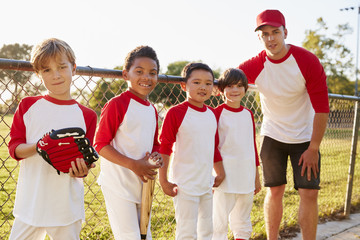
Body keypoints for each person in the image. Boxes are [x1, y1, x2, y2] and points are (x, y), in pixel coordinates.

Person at [238, 9, 329, 240]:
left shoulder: (306, 61)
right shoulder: (255, 64)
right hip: (272, 135)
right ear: (259, 37)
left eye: (275, 32)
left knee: (308, 193)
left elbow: (321, 108)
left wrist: (314, 148)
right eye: (265, 34)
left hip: (305, 137)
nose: (271, 38)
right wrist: (193, 83)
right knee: (275, 190)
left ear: (285, 32)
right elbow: (226, 82)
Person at [8, 38, 98, 240]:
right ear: (39, 75)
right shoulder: (28, 106)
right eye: (47, 70)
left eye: (61, 67)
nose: (56, 75)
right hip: (31, 203)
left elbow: (82, 161)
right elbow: (15, 148)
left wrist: (82, 170)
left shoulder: (87, 116)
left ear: (73, 68)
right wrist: (41, 146)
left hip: (66, 208)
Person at [94, 45, 163, 240]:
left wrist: (156, 155)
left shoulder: (152, 110)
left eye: (153, 73)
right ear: (126, 74)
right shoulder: (117, 104)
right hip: (118, 184)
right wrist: (133, 164)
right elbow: (100, 144)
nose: (146, 77)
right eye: (139, 71)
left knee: (144, 235)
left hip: (142, 184)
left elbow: (154, 144)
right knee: (129, 236)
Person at [159, 62, 225, 240]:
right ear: (183, 85)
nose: (203, 87)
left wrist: (219, 171)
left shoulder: (211, 114)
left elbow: (214, 147)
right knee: (187, 232)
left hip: (206, 183)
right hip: (185, 184)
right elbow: (164, 148)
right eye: (196, 82)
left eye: (208, 83)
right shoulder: (176, 113)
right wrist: (163, 179)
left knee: (207, 230)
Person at [212, 68, 261, 240]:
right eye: (230, 86)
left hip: (246, 176)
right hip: (224, 176)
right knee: (218, 223)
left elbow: (252, 147)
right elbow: (212, 147)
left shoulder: (248, 114)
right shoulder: (216, 113)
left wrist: (256, 176)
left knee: (242, 221)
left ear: (245, 89)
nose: (235, 90)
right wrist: (216, 172)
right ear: (222, 89)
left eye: (239, 86)